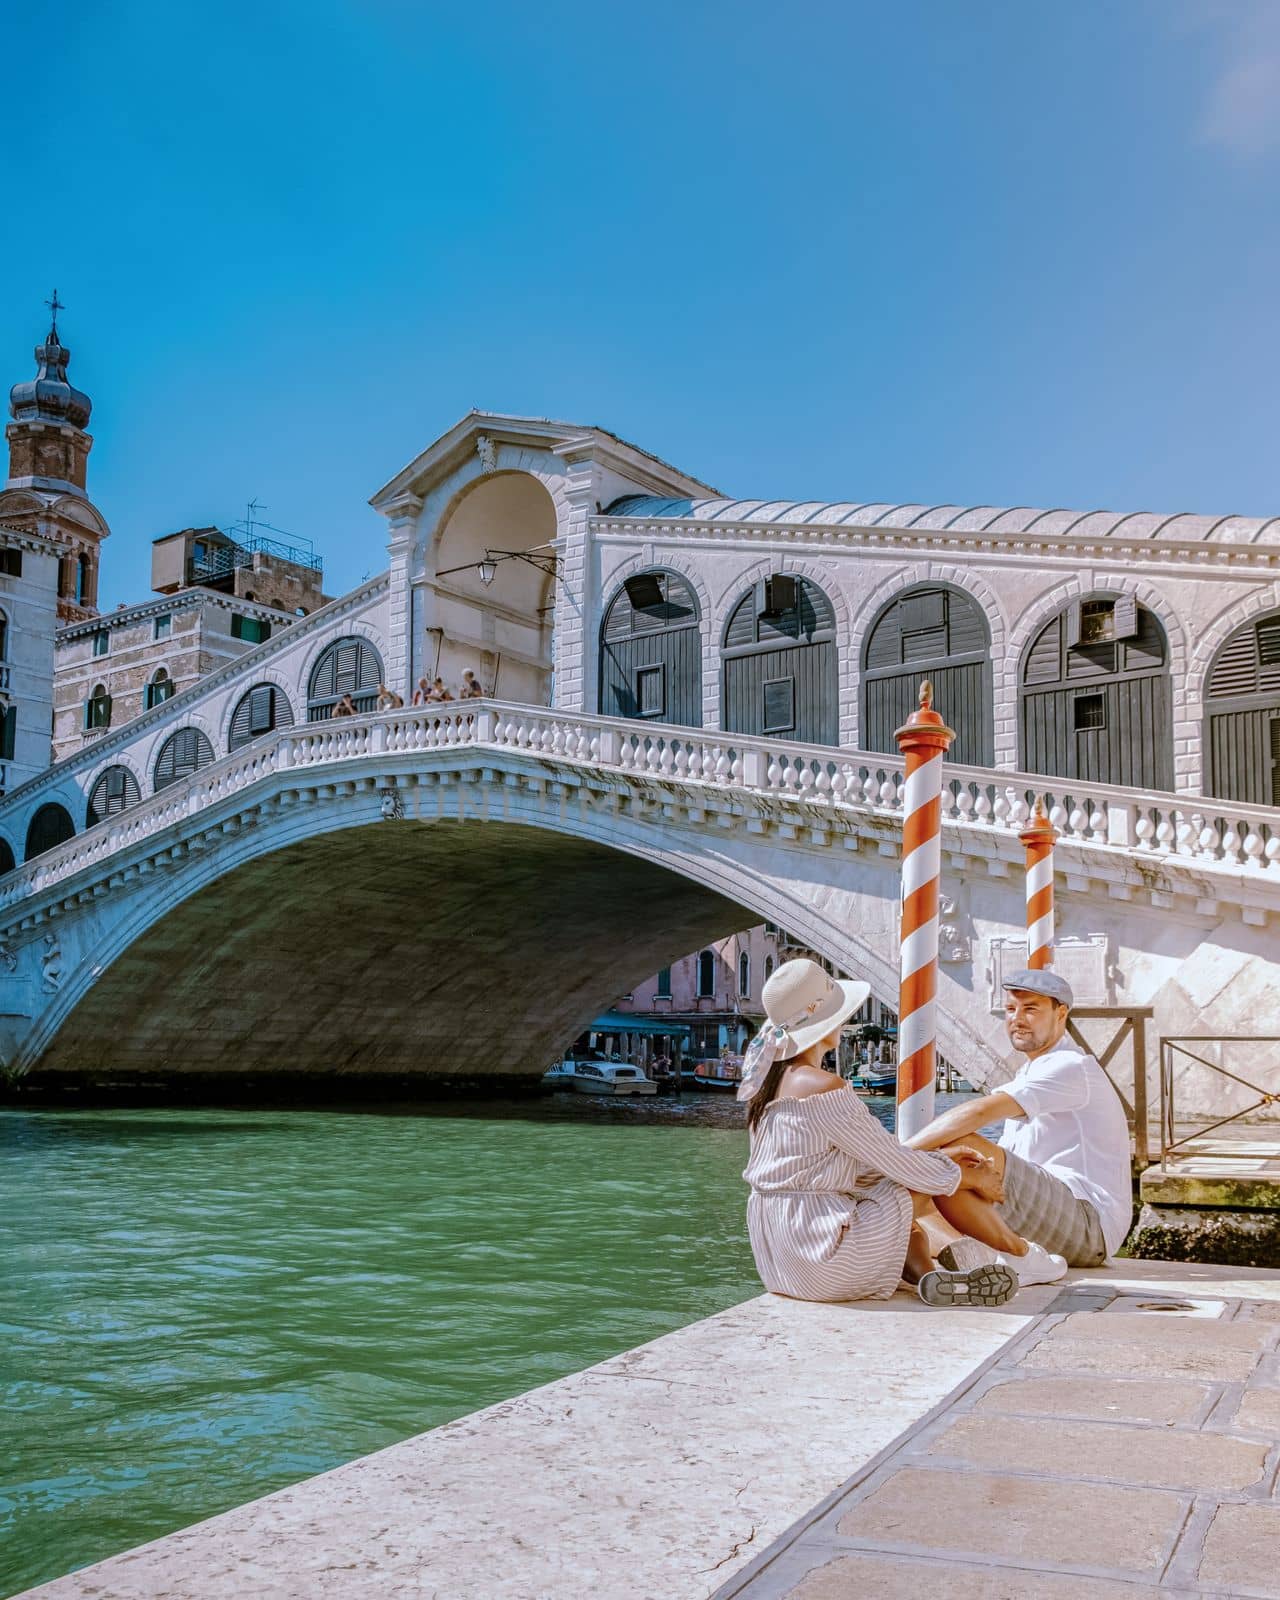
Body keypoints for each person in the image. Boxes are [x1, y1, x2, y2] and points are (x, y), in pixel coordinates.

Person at [742, 958, 1019, 1308]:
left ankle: (927, 1277)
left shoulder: (768, 1090)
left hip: (781, 1264)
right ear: (825, 1021)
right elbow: (896, 1163)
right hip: (824, 1259)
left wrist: (941, 1160)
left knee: (909, 1214)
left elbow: (852, 1169)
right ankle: (1022, 1253)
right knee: (927, 1183)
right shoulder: (822, 1086)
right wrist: (966, 1174)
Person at [905, 968, 1131, 1280]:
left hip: (1088, 1223)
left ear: (1060, 1013)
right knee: (921, 1181)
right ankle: (969, 1260)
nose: (1017, 1019)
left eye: (1031, 1009)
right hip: (1047, 1213)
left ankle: (1020, 1255)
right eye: (1011, 1010)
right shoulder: (1030, 1072)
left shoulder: (1070, 1066)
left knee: (955, 1150)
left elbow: (979, 1113)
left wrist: (899, 1155)